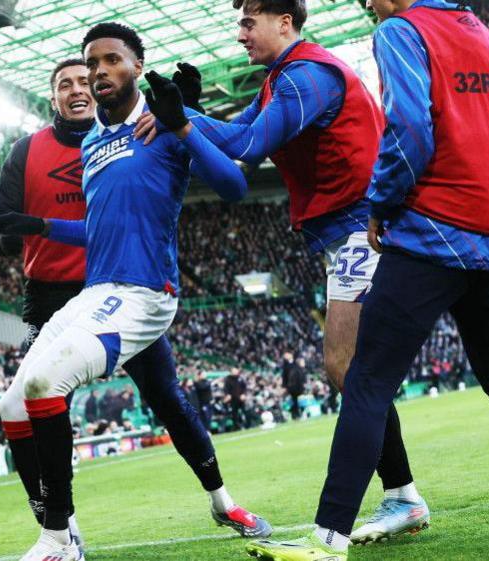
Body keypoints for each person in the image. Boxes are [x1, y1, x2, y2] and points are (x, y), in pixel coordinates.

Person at [246, 1, 489, 559]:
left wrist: (382, 206)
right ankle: (380, 509)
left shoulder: (401, 31)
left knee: (366, 380)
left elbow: (410, 130)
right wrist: (475, 139)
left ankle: (327, 538)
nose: (366, 2)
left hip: (431, 234)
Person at [134, 0, 428, 541]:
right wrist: (187, 114)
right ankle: (401, 495)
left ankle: (396, 499)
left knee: (347, 368)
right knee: (355, 371)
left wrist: (181, 120)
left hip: (361, 226)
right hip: (348, 231)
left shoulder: (307, 75)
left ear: (284, 22)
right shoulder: (281, 78)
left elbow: (249, 147)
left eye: (249, 22)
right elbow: (234, 133)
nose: (240, 34)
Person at [0, 22, 268, 561]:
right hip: (97, 292)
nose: (98, 72)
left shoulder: (162, 122)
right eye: (92, 63)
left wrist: (183, 124)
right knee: (12, 404)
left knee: (58, 385)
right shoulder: (94, 140)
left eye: (111, 60)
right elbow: (101, 228)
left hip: (144, 292)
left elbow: (234, 186)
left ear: (138, 65)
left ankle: (58, 541)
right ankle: (56, 530)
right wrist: (39, 225)